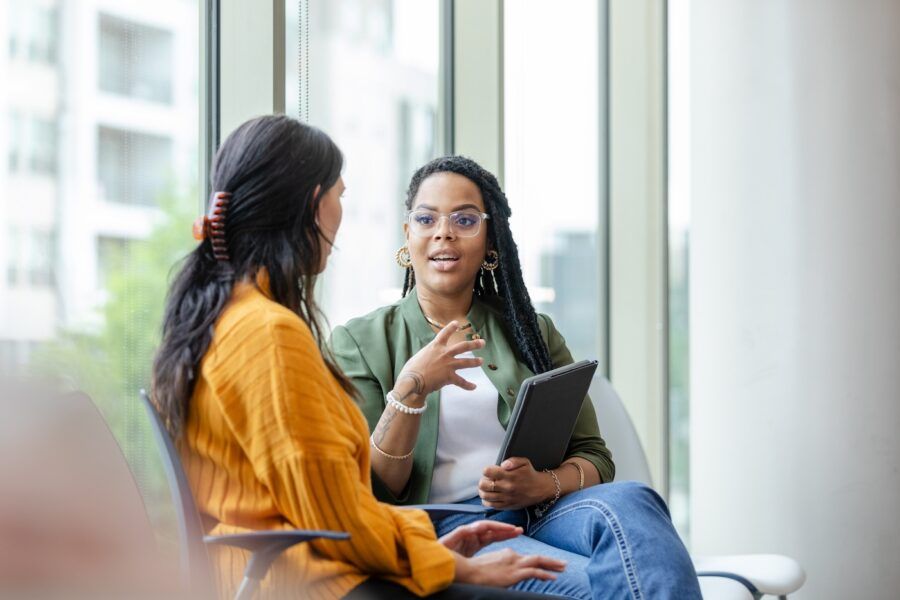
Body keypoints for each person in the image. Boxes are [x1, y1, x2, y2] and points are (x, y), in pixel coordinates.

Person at [150, 117, 565, 600]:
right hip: (311, 582)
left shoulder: (228, 319)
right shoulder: (269, 335)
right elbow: (335, 518)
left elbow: (333, 507)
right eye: (340, 196)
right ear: (314, 205)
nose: (443, 235)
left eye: (465, 220)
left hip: (295, 568)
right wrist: (450, 566)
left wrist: (431, 550)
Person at [330, 155, 703, 599]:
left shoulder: (533, 333)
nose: (443, 231)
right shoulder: (358, 341)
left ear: (491, 243)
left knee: (636, 501)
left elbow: (595, 457)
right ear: (408, 235)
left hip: (549, 510)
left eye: (465, 219)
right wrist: (413, 385)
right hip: (452, 525)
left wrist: (540, 485)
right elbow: (377, 486)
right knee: (593, 587)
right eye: (426, 218)